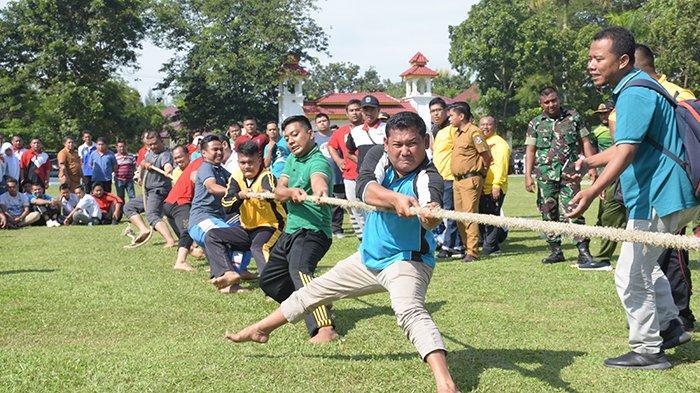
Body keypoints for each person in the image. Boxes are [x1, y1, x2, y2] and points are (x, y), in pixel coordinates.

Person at [226, 112, 459, 393]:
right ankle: (260, 329)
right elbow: (365, 189)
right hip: (367, 258)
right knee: (313, 292)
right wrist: (395, 198)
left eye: (412, 143)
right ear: (387, 144)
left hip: (406, 261)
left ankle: (445, 385)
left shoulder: (428, 176)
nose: (405, 151)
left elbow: (430, 210)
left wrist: (428, 214)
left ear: (426, 142)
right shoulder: (377, 156)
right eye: (397, 144)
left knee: (409, 311)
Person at [567, 26, 698, 369]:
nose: (591, 65)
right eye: (590, 58)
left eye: (599, 59)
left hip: (660, 194)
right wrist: (589, 162)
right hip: (664, 193)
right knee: (645, 265)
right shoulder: (639, 87)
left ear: (622, 60)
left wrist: (592, 191)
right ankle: (670, 326)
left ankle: (648, 349)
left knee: (628, 273)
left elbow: (625, 152)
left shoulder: (634, 93)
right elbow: (628, 146)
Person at [256, 114, 338, 343]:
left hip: (313, 232)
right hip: (291, 231)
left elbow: (319, 180)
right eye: (287, 137)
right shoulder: (292, 160)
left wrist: (320, 191)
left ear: (310, 134)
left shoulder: (318, 161)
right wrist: (291, 192)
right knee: (269, 281)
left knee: (300, 270)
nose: (291, 141)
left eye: (295, 134)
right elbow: (279, 190)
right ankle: (316, 301)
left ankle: (325, 328)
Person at [524, 86, 599, 265]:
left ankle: (583, 250)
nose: (551, 105)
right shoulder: (535, 123)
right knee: (548, 211)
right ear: (540, 104)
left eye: (554, 100)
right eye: (547, 102)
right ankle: (555, 250)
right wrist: (528, 175)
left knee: (574, 209)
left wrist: (592, 166)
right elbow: (530, 150)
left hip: (570, 174)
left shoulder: (573, 117)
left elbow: (585, 142)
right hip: (545, 175)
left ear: (559, 99)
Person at [205, 141, 287, 282]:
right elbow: (226, 204)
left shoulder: (266, 176)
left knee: (259, 247)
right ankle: (226, 274)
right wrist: (240, 196)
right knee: (212, 236)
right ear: (238, 162)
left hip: (271, 226)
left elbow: (271, 191)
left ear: (259, 160)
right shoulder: (236, 178)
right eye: (242, 163)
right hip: (247, 228)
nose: (247, 166)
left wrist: (265, 194)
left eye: (250, 162)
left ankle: (274, 286)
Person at [188, 135, 243, 293]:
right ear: (204, 153)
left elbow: (235, 181)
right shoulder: (206, 167)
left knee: (245, 238)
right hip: (201, 220)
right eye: (215, 149)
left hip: (216, 219)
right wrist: (238, 194)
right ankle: (228, 276)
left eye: (221, 148)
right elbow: (212, 187)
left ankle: (235, 274)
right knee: (226, 237)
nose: (219, 152)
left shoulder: (220, 169)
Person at [450, 102, 492, 262]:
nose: (450, 119)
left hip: (470, 179)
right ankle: (467, 248)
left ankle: (473, 252)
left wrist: (480, 174)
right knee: (460, 217)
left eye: (452, 115)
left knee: (469, 215)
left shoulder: (474, 132)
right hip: (458, 181)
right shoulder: (459, 133)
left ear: (461, 116)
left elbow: (486, 156)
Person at [586, 102, 624, 271]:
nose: (603, 116)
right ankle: (603, 256)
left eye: (606, 113)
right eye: (600, 114)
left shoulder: (624, 124)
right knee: (607, 215)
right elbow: (592, 152)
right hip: (607, 175)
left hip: (625, 173)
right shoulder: (596, 132)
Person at [123, 131, 176, 247]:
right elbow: (142, 163)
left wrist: (168, 170)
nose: (152, 147)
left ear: (161, 141)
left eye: (154, 143)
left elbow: (167, 164)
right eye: (149, 144)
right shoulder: (150, 152)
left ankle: (170, 240)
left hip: (158, 190)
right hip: (148, 191)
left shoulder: (165, 154)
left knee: (152, 214)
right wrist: (141, 175)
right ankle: (144, 230)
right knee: (128, 207)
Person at [328, 99, 365, 239]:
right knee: (354, 207)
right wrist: (338, 160)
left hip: (369, 175)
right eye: (351, 110)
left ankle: (371, 237)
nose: (355, 113)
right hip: (349, 176)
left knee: (370, 208)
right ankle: (363, 238)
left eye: (357, 109)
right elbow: (331, 146)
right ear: (347, 113)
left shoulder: (369, 129)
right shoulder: (341, 132)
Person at [431, 99, 463, 259]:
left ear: (446, 111)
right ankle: (454, 244)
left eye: (438, 110)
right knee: (442, 213)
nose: (435, 114)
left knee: (450, 213)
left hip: (450, 177)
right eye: (432, 111)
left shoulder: (453, 129)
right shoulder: (436, 130)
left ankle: (449, 246)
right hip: (439, 177)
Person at [164, 150, 203, 272]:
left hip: (169, 204)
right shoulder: (201, 161)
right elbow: (195, 178)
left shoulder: (198, 162)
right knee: (188, 231)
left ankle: (194, 250)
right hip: (180, 202)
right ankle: (180, 262)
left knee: (184, 235)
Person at [479, 116, 511, 255]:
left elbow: (501, 167)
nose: (485, 127)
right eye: (482, 124)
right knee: (482, 217)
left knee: (492, 216)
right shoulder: (481, 142)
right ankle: (492, 241)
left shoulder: (500, 144)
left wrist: (496, 185)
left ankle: (491, 247)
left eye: (489, 124)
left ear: (494, 126)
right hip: (482, 187)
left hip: (493, 187)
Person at [314, 113, 345, 238]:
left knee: (337, 203)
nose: (322, 123)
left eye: (324, 120)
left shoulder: (336, 136)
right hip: (320, 176)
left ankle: (337, 229)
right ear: (316, 124)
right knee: (321, 202)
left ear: (328, 121)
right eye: (319, 121)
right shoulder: (314, 138)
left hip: (337, 175)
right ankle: (322, 227)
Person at [346, 95, 386, 168]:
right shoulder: (355, 131)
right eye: (365, 109)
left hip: (386, 175)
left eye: (372, 109)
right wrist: (362, 163)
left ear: (379, 110)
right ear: (361, 111)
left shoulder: (388, 128)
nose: (369, 113)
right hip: (364, 176)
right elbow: (349, 153)